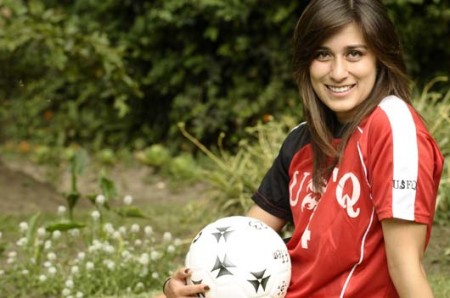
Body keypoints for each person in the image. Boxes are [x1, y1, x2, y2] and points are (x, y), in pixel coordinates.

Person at [160, 0, 445, 297]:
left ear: (380, 58)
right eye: (323, 54)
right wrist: (173, 289)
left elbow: (406, 267)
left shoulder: (395, 128)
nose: (337, 72)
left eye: (354, 54)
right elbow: (242, 243)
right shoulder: (301, 139)